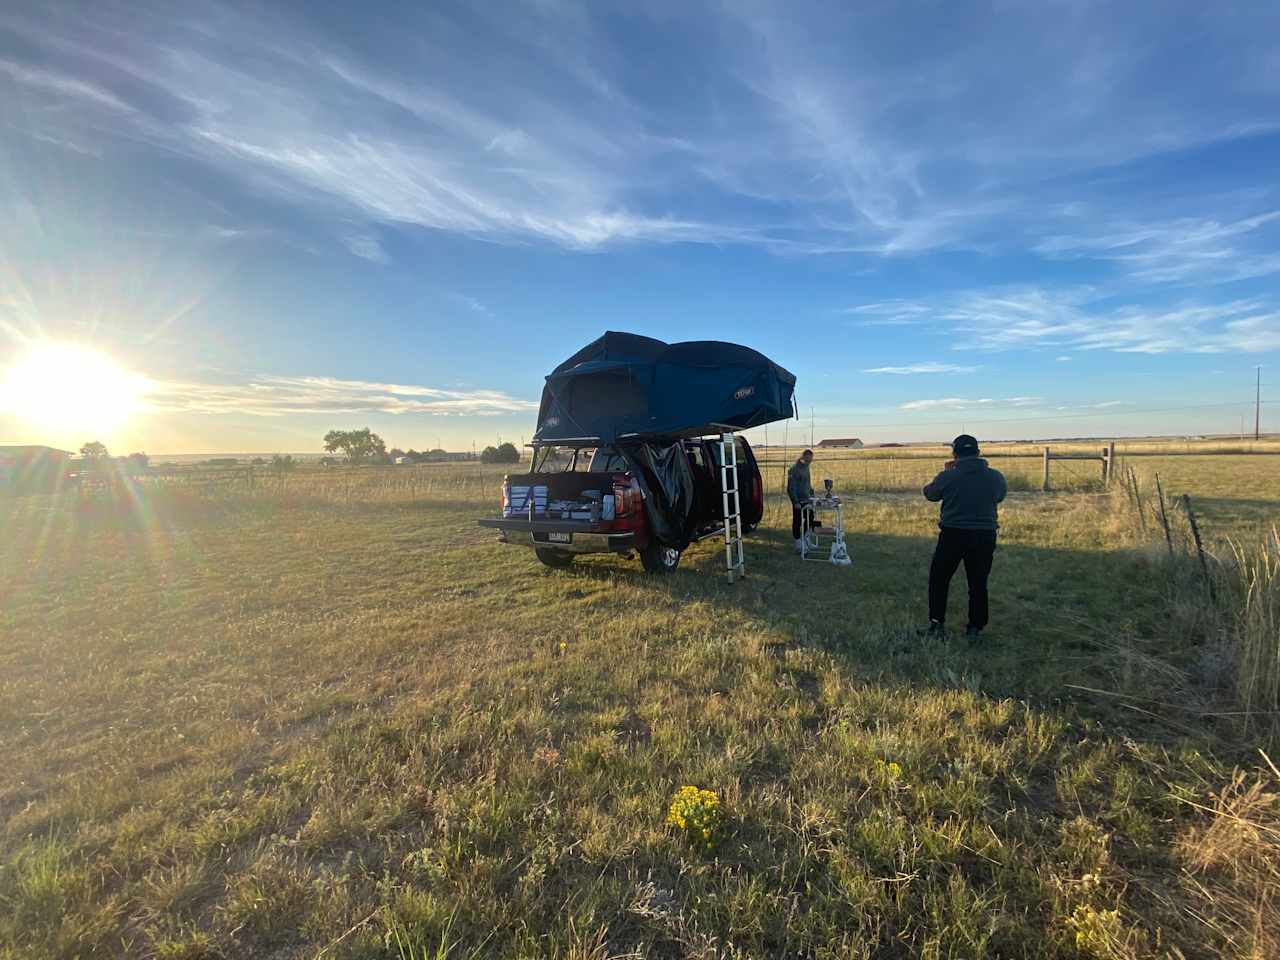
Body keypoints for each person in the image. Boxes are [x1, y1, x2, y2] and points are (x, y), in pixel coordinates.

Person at [920, 435, 1007, 640]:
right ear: (978, 453)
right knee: (978, 582)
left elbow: (930, 494)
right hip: (985, 535)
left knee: (939, 579)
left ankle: (937, 625)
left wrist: (946, 472)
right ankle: (975, 628)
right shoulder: (995, 476)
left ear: (955, 453)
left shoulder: (948, 475)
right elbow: (999, 496)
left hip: (953, 534)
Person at [787, 449, 816, 552]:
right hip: (798, 501)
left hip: (807, 499)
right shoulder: (794, 469)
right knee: (797, 520)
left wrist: (811, 491)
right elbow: (791, 488)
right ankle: (798, 542)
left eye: (811, 460)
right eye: (808, 459)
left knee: (811, 518)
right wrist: (795, 502)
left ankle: (806, 538)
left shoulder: (807, 467)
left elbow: (806, 482)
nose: (810, 462)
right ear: (803, 457)